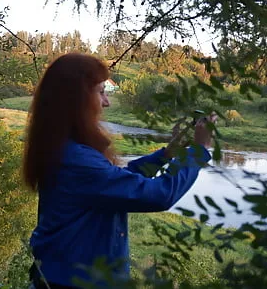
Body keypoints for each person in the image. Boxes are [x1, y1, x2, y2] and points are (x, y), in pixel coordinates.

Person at [23, 53, 215, 289]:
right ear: (77, 100)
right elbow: (159, 195)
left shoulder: (65, 148)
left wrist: (166, 154)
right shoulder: (77, 159)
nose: (107, 102)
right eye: (101, 91)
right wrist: (198, 150)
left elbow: (116, 181)